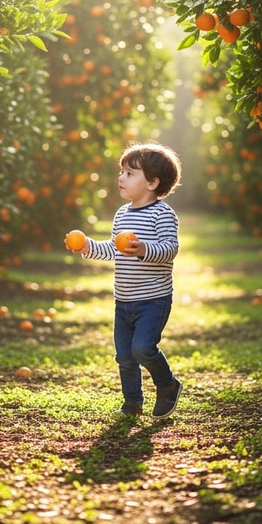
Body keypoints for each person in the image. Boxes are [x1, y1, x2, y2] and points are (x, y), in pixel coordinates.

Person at [65, 142, 183, 420]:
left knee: (143, 349)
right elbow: (112, 249)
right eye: (122, 171)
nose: (121, 177)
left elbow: (170, 249)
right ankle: (132, 403)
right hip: (124, 300)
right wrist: (87, 246)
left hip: (153, 299)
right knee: (125, 356)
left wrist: (143, 249)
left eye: (130, 173)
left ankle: (168, 384)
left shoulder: (163, 214)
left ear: (152, 182)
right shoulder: (122, 214)